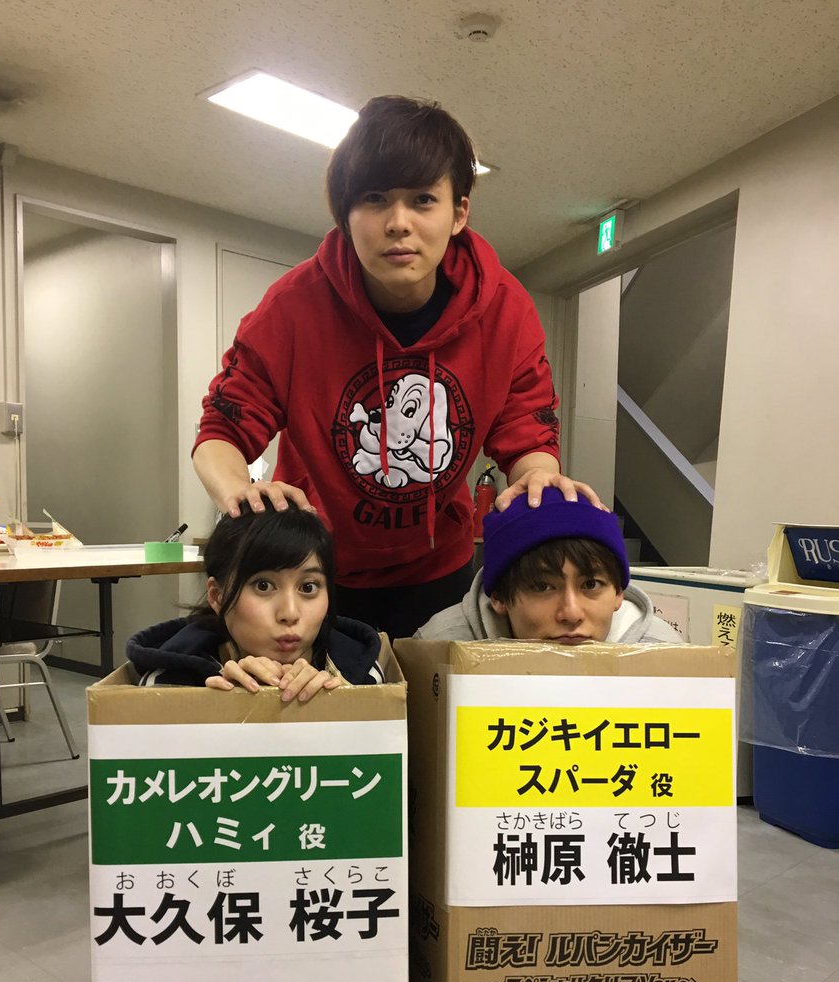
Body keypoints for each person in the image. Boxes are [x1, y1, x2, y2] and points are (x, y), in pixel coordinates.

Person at [192, 94, 603, 640]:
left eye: (423, 199)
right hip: (314, 571)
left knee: (430, 697)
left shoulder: (506, 310)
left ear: (459, 213)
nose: (398, 223)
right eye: (375, 199)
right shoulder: (291, 309)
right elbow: (220, 431)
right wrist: (235, 493)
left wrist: (537, 480)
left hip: (440, 569)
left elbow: (527, 431)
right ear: (345, 215)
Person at [126, 501, 384, 700]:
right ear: (217, 596)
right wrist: (215, 708)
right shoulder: (167, 684)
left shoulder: (361, 674)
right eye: (263, 586)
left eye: (308, 587)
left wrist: (340, 704)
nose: (290, 613)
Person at [414, 489, 684, 645]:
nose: (571, 614)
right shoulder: (441, 646)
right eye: (543, 586)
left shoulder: (663, 653)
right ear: (498, 596)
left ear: (618, 593)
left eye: (591, 584)